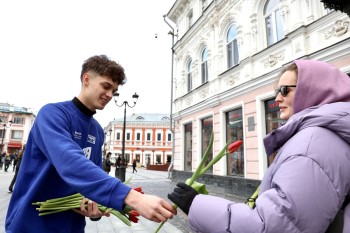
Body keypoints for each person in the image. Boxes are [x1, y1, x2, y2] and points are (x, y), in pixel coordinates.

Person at [168, 59, 350, 233]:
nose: (277, 98)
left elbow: (276, 226)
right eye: (277, 91)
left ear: (313, 90)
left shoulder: (313, 144)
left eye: (285, 90)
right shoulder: (323, 135)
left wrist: (195, 203)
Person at [6, 55, 176, 233]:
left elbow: (91, 180)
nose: (110, 95)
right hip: (31, 224)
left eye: (114, 91)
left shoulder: (97, 130)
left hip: (72, 227)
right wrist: (132, 197)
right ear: (86, 79)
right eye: (106, 86)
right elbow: (70, 162)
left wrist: (94, 210)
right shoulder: (53, 114)